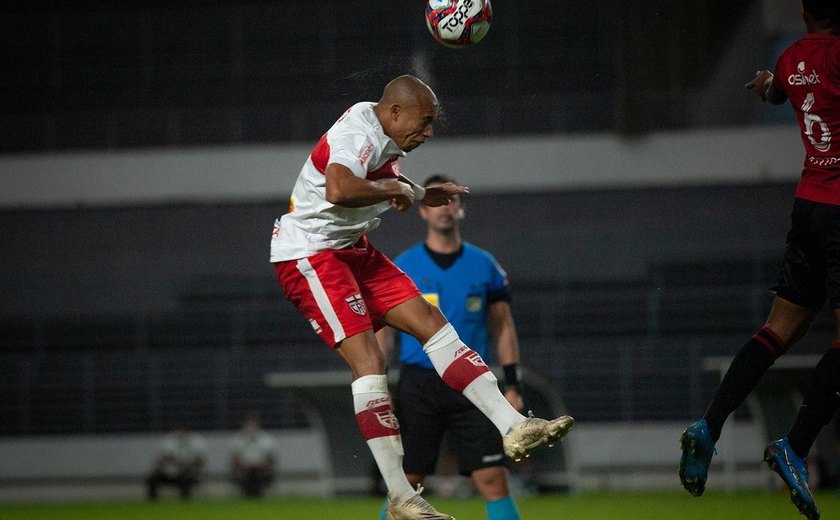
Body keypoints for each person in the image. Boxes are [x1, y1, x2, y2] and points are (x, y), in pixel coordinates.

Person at [269, 74, 574, 520]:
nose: (428, 133)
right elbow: (339, 188)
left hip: (352, 249)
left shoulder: (386, 136)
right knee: (370, 363)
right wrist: (396, 189)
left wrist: (417, 191)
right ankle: (400, 497)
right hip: (310, 257)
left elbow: (379, 184)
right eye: (425, 121)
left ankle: (514, 427)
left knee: (433, 325)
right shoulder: (358, 132)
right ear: (394, 111)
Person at [679, 2, 840, 519]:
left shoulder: (794, 57)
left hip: (809, 206)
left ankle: (709, 424)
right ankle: (795, 445)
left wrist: (770, 82)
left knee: (777, 330)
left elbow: (777, 91)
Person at [375, 174, 527, 520]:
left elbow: (503, 326)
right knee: (405, 482)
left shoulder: (484, 265)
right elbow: (384, 332)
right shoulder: (404, 266)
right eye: (435, 202)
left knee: (492, 478)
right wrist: (377, 386)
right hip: (420, 385)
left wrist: (513, 385)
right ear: (422, 213)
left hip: (473, 383)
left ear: (461, 209)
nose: (444, 208)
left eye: (451, 201)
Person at [146, 422, 207, 500]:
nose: (180, 432)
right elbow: (160, 459)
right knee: (152, 478)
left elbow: (200, 460)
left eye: (182, 429)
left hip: (185, 471)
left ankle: (185, 501)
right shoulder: (169, 441)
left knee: (185, 479)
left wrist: (185, 465)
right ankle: (152, 501)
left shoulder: (197, 441)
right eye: (178, 429)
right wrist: (169, 460)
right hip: (168, 470)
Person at [229, 413, 276, 498]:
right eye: (249, 422)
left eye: (253, 422)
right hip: (244, 469)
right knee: (244, 474)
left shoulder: (266, 439)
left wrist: (261, 465)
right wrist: (244, 466)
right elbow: (234, 458)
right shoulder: (238, 439)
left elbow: (270, 458)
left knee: (259, 474)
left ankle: (257, 491)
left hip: (260, 469)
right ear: (244, 423)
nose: (251, 425)